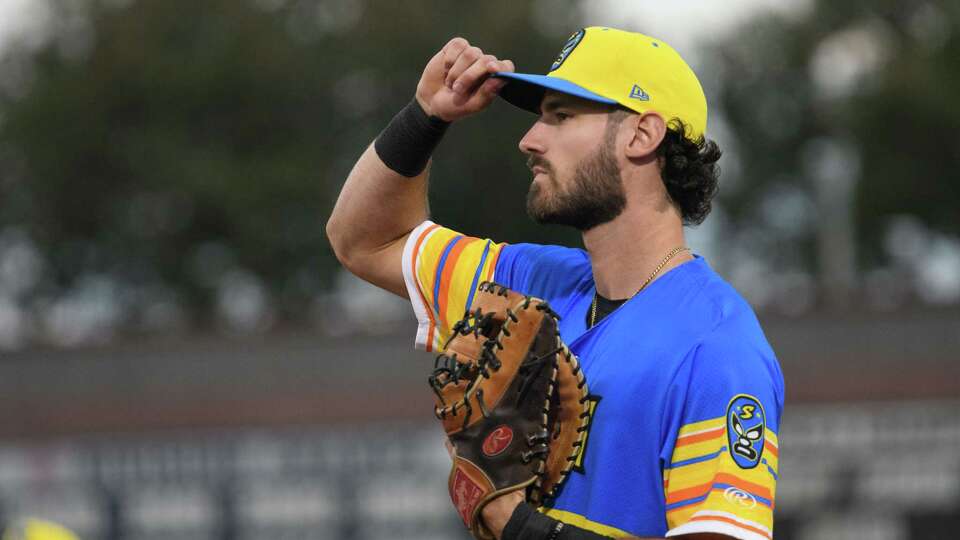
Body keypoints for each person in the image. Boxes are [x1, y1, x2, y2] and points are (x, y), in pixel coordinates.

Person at [327, 26, 784, 540]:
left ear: (642, 135)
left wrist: (523, 529)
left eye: (561, 116)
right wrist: (425, 117)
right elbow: (363, 241)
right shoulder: (526, 280)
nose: (530, 139)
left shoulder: (715, 345)